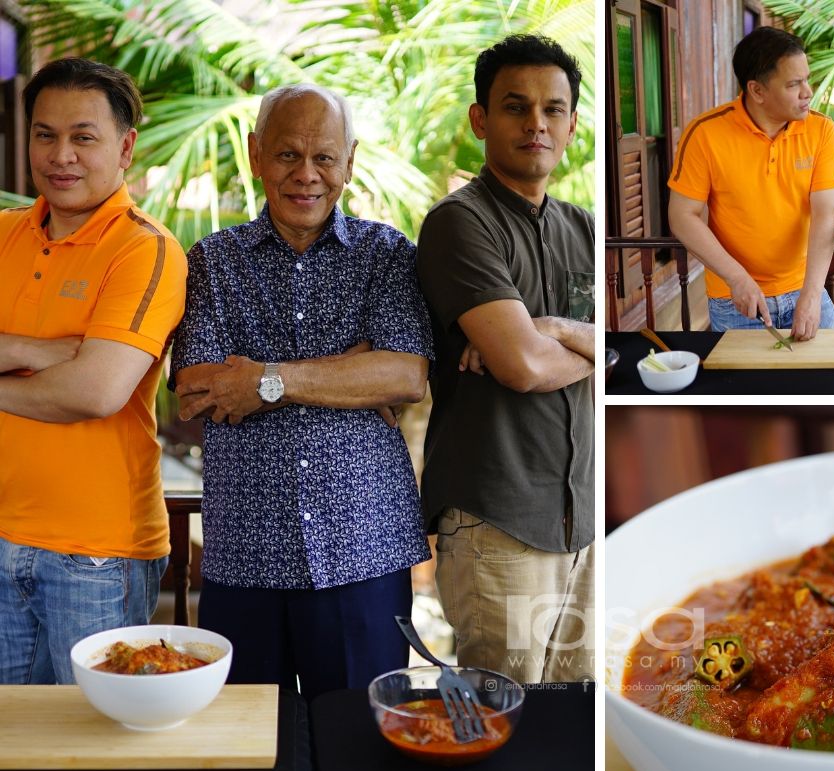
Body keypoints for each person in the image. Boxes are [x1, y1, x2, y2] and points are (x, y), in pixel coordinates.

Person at [169, 85, 434, 698]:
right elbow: (198, 388)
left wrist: (266, 379)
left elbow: (406, 376)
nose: (307, 175)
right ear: (257, 154)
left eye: (325, 157)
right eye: (288, 155)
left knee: (360, 745)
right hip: (244, 553)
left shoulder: (387, 254)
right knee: (249, 748)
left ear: (350, 160)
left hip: (362, 548)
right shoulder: (213, 261)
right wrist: (349, 369)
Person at [0, 58, 187, 684]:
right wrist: (52, 350)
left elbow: (97, 390)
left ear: (125, 146)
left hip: (96, 552)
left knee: (96, 752)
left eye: (84, 136)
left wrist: (47, 358)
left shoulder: (145, 249)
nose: (62, 156)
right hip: (0, 534)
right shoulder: (3, 235)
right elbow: (85, 373)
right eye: (45, 135)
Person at [416, 34, 594, 684]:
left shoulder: (581, 226)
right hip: (499, 523)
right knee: (502, 718)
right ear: (480, 119)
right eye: (516, 107)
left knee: (576, 718)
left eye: (553, 109)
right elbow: (521, 366)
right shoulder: (461, 224)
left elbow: (619, 348)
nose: (536, 123)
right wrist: (586, 345)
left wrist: (554, 329)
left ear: (572, 124)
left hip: (584, 520)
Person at [668, 26, 834, 341]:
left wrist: (813, 294)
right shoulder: (705, 133)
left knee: (824, 387)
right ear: (757, 90)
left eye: (807, 79)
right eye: (794, 84)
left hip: (806, 290)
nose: (808, 92)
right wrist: (737, 278)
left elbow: (826, 213)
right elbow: (682, 215)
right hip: (736, 301)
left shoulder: (822, 131)